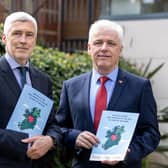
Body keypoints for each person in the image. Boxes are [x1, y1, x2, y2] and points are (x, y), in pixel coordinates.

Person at [55, 20, 160, 168]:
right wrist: (74, 137)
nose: (104, 48)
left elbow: (151, 133)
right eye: (98, 43)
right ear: (89, 48)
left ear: (120, 50)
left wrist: (127, 152)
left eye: (111, 43)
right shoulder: (71, 86)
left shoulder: (140, 87)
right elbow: (59, 127)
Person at [0, 11, 61, 168]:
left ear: (34, 41)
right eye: (17, 33)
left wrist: (50, 140)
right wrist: (26, 145)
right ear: (4, 38)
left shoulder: (43, 80)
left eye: (29, 35)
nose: (23, 40)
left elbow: (52, 123)